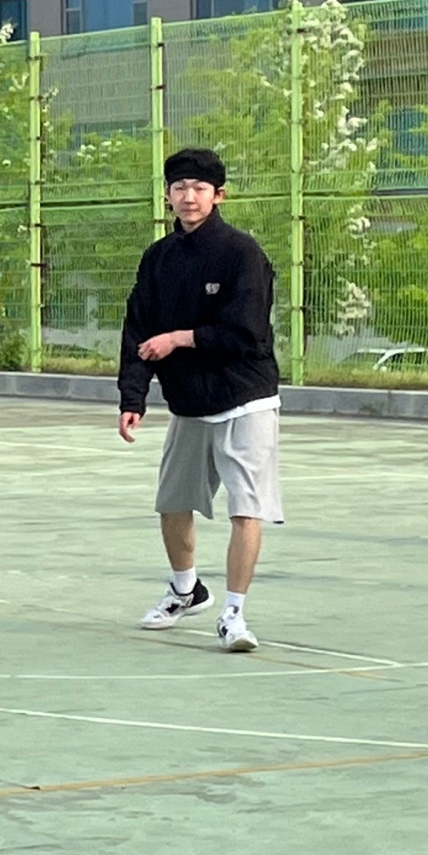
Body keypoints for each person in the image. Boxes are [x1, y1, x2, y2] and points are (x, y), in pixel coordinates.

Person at [118, 147, 282, 654]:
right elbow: (138, 331)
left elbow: (247, 332)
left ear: (219, 196)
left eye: (200, 188)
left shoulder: (242, 254)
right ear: (168, 195)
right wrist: (132, 397)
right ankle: (186, 589)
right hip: (189, 404)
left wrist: (181, 338)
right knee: (173, 503)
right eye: (180, 187)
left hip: (245, 398)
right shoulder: (158, 259)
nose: (189, 196)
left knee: (246, 508)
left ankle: (234, 614)